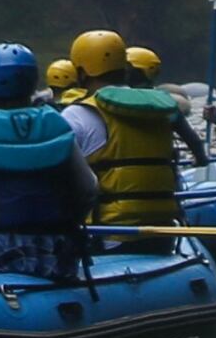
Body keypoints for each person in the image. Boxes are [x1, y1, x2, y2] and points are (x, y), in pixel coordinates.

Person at [0, 43, 99, 280]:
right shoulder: (56, 126)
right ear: (32, 82)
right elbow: (89, 189)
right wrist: (71, 222)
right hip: (55, 252)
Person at [63, 27, 186, 234]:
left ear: (82, 73)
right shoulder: (159, 109)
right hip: (164, 229)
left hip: (107, 234)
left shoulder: (76, 115)